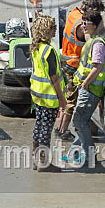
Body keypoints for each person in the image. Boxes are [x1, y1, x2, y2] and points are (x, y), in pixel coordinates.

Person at [57, 0, 105, 140]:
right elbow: (91, 40)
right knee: (71, 101)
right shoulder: (82, 25)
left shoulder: (74, 13)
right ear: (91, 9)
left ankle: (61, 129)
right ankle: (63, 131)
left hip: (66, 59)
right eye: (97, 12)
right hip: (74, 65)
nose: (97, 16)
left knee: (69, 98)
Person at [64, 11, 105, 165]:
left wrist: (85, 83)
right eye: (82, 22)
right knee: (81, 121)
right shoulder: (93, 40)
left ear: (95, 25)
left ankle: (89, 153)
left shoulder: (98, 44)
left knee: (79, 121)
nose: (83, 25)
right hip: (87, 87)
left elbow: (98, 67)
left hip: (91, 89)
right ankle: (76, 152)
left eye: (86, 23)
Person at [29, 14, 67, 171]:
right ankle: (43, 163)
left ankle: (36, 160)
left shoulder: (36, 47)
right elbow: (54, 77)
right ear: (45, 30)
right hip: (49, 97)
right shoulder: (49, 50)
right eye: (53, 27)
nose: (55, 29)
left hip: (38, 95)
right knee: (46, 130)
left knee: (39, 126)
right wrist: (62, 99)